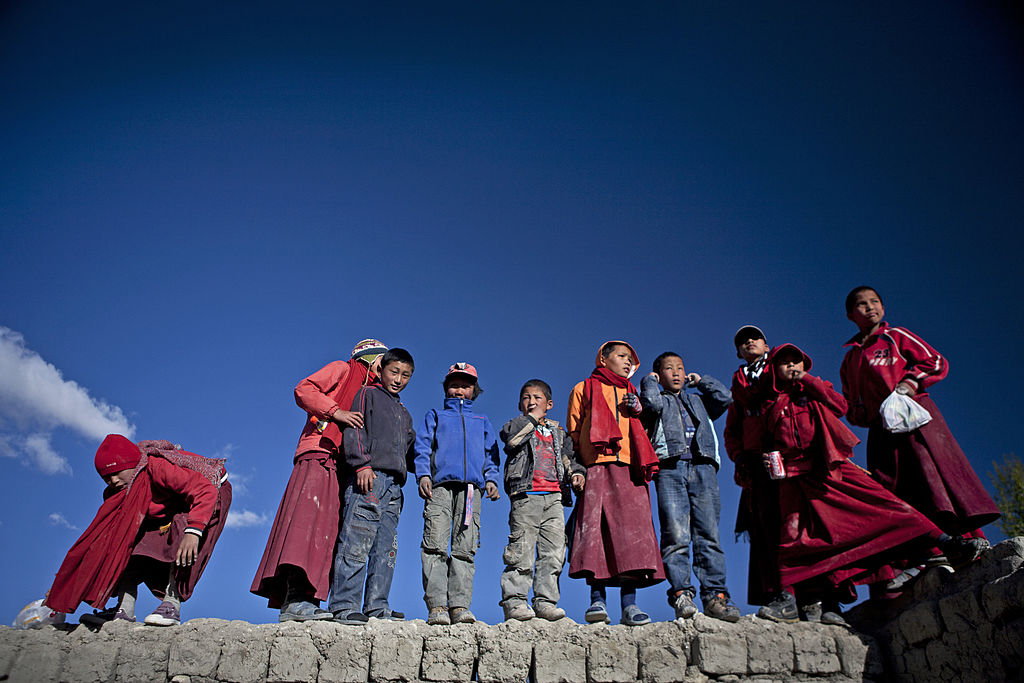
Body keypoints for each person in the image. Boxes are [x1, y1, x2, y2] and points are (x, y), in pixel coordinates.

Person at [751, 344, 988, 623]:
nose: (792, 367)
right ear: (774, 369)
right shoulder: (770, 403)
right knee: (792, 538)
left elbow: (840, 406)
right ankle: (788, 599)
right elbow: (764, 441)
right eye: (784, 363)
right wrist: (768, 459)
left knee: (885, 505)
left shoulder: (815, 389)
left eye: (797, 361)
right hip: (793, 477)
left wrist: (808, 381)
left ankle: (948, 544)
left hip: (831, 469)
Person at [840, 287, 1000, 538]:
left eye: (875, 301)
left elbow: (935, 361)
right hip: (882, 427)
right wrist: (860, 413)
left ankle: (967, 539)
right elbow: (851, 403)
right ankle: (922, 549)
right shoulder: (850, 360)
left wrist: (910, 383)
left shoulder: (895, 336)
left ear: (883, 307)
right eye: (862, 304)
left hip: (914, 415)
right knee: (890, 484)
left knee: (929, 472)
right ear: (850, 315)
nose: (870, 307)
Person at [251, 339, 388, 622]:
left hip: (343, 464)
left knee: (328, 533)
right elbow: (304, 389)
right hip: (319, 452)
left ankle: (308, 600)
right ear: (371, 358)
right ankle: (294, 600)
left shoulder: (372, 391)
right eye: (383, 362)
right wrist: (336, 412)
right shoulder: (343, 369)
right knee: (307, 526)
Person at [45, 435, 231, 627]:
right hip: (168, 508)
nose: (113, 480)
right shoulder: (119, 492)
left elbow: (204, 491)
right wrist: (63, 586)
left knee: (183, 536)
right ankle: (124, 609)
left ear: (132, 465)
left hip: (208, 495)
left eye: (117, 473)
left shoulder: (158, 468)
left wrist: (194, 531)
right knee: (124, 540)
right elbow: (98, 539)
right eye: (106, 477)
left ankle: (171, 604)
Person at [566, 341, 664, 626]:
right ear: (603, 359)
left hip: (630, 468)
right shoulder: (583, 388)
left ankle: (629, 605)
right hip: (596, 466)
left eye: (631, 359)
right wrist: (579, 468)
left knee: (630, 537)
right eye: (622, 356)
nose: (628, 363)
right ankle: (597, 601)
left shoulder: (631, 393)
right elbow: (574, 431)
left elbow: (642, 432)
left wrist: (638, 409)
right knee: (596, 534)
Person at [639, 352, 740, 622]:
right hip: (670, 467)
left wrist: (702, 381)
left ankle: (715, 596)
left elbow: (725, 398)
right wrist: (648, 381)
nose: (676, 373)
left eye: (680, 368)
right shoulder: (657, 399)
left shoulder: (699, 400)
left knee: (708, 533)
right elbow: (649, 404)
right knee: (675, 533)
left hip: (703, 466)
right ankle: (682, 593)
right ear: (658, 375)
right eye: (668, 369)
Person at [328, 348, 417, 624]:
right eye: (394, 372)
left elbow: (412, 452)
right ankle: (344, 605)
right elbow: (355, 429)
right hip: (370, 477)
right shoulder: (367, 394)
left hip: (395, 488)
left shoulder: (404, 413)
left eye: (405, 375)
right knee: (357, 539)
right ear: (381, 371)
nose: (398, 379)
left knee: (386, 548)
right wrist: (361, 464)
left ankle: (377, 605)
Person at [414, 362, 501, 625]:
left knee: (465, 548)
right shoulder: (435, 416)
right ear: (446, 388)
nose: (459, 390)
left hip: (471, 491)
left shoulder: (482, 421)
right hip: (439, 489)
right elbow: (423, 447)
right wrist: (424, 475)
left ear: (474, 391)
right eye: (454, 385)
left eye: (465, 385)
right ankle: (438, 605)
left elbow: (491, 456)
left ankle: (460, 606)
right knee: (435, 545)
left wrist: (492, 480)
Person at [498, 379, 584, 622]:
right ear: (519, 404)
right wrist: (532, 418)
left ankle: (546, 602)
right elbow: (512, 440)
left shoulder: (558, 432)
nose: (532, 402)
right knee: (520, 551)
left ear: (549, 404)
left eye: (537, 398)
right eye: (526, 398)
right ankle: (515, 601)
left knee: (554, 552)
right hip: (526, 496)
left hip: (554, 499)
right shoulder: (517, 425)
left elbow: (569, 459)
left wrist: (577, 474)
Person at [722, 324, 782, 608]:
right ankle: (774, 593)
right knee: (764, 526)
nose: (749, 343)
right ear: (737, 352)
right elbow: (732, 429)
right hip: (756, 462)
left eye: (755, 338)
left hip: (788, 455)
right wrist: (739, 455)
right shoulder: (739, 384)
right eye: (743, 341)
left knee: (794, 520)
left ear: (767, 344)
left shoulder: (780, 367)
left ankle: (811, 593)